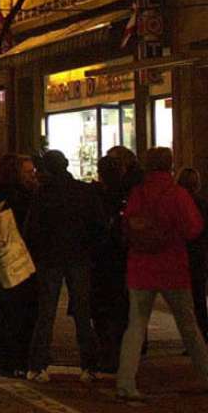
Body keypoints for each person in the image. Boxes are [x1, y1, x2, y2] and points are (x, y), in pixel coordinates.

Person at [116, 147, 208, 402]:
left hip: (140, 268)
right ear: (170, 165)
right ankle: (205, 375)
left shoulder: (138, 193)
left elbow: (127, 226)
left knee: (135, 326)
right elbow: (194, 229)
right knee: (189, 326)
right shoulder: (177, 194)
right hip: (172, 267)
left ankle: (125, 382)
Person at [24, 149, 104, 384]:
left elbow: (32, 230)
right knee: (82, 311)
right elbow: (98, 225)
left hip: (50, 259)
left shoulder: (43, 195)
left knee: (46, 313)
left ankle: (38, 365)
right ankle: (89, 365)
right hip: (79, 256)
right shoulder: (84, 191)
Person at [0, 153, 38, 379]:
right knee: (20, 310)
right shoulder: (23, 196)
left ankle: (2, 358)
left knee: (1, 309)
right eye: (27, 172)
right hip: (20, 258)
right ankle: (15, 358)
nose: (31, 175)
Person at [90, 155, 128, 373]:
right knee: (120, 308)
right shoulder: (127, 193)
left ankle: (107, 353)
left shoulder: (96, 195)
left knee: (102, 310)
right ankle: (118, 353)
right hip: (120, 258)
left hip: (100, 259)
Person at [177, 167, 208, 341]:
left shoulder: (181, 203)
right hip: (199, 255)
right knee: (199, 299)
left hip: (184, 255)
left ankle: (193, 337)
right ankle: (202, 334)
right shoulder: (202, 203)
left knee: (186, 301)